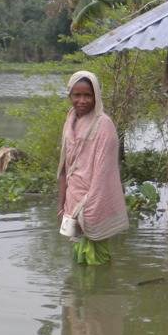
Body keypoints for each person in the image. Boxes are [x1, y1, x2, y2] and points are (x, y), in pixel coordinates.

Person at [57, 71, 128, 265]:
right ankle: (83, 291)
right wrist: (61, 205)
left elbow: (104, 175)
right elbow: (64, 167)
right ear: (69, 96)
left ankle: (100, 292)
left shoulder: (103, 125)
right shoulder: (70, 120)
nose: (82, 100)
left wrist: (88, 207)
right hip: (73, 198)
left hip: (94, 200)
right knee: (79, 257)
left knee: (98, 258)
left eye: (87, 95)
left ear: (96, 96)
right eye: (76, 95)